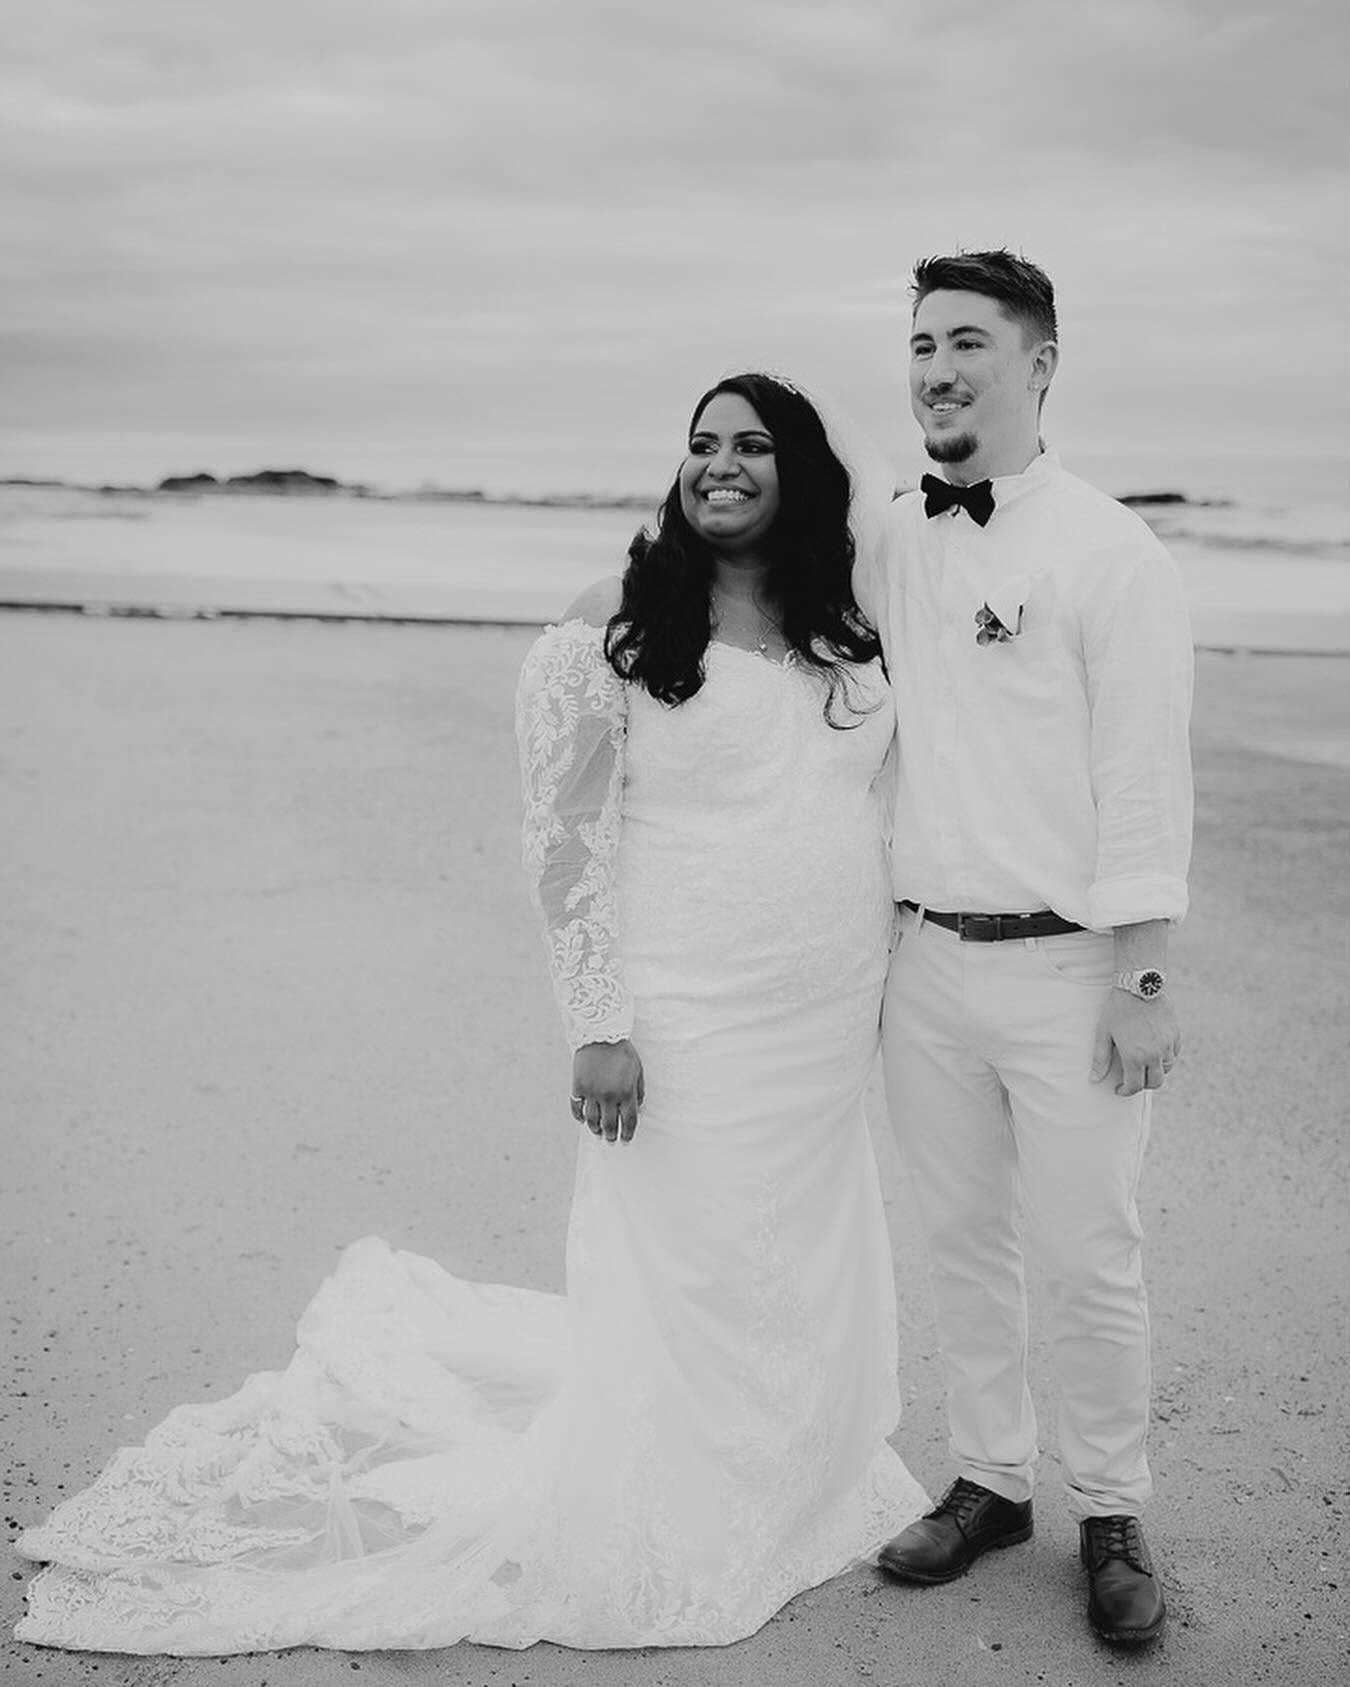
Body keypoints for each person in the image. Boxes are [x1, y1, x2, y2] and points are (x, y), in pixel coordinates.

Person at [14, 373, 926, 1655]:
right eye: (702, 444)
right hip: (687, 1008)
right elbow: (562, 842)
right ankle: (685, 1486)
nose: (720, 463)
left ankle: (793, 1460)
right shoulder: (614, 619)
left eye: (754, 445)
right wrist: (598, 1021)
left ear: (808, 473)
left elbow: (873, 803)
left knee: (801, 1242)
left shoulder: (850, 621)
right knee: (689, 1248)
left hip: (826, 1010)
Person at [855, 251, 1193, 1647]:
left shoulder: (1113, 549)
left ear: (1039, 364)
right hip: (921, 962)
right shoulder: (889, 533)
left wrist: (1142, 978)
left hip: (1071, 971)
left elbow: (1144, 778)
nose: (935, 368)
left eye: (968, 344)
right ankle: (991, 1477)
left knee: (1087, 1251)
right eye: (921, 343)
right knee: (957, 1240)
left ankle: (1110, 1509)